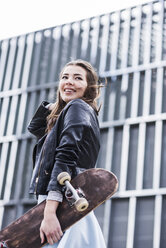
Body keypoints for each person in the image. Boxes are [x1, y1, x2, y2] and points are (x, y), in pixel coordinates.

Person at [27, 59, 106, 248]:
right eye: (64, 77)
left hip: (64, 199)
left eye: (77, 78)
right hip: (71, 197)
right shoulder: (75, 111)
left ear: (88, 88)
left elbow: (65, 157)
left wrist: (49, 212)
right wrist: (60, 102)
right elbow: (36, 128)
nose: (69, 81)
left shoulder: (77, 107)